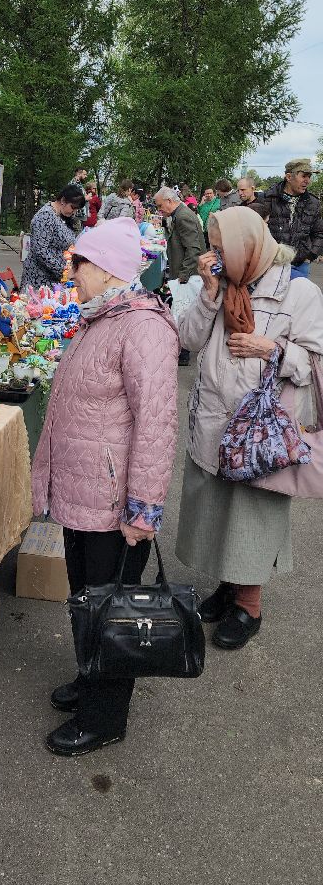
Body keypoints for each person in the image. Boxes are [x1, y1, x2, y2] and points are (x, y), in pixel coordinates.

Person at [32, 217, 179, 756]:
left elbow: (157, 423)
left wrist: (143, 510)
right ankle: (89, 679)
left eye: (78, 264)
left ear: (106, 269)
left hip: (114, 504)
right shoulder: (103, 317)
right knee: (85, 599)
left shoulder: (143, 328)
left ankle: (104, 715)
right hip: (81, 493)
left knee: (114, 609)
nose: (70, 272)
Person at [175, 208, 323, 649]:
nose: (214, 255)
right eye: (213, 246)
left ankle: (250, 605)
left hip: (260, 433)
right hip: (214, 422)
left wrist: (272, 348)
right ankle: (228, 585)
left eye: (221, 248)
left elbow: (316, 360)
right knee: (218, 508)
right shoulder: (223, 285)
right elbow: (188, 339)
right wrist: (207, 293)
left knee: (251, 517)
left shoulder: (299, 292)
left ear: (249, 247)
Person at [154, 186, 206, 365]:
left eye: (160, 206)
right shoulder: (179, 214)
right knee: (182, 312)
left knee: (183, 313)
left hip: (188, 275)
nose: (159, 210)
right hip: (186, 273)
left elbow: (194, 249)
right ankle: (182, 351)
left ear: (170, 201)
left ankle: (182, 353)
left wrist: (183, 275)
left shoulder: (183, 216)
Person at [260, 159, 323, 279]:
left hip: (301, 265)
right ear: (289, 177)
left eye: (309, 177)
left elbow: (319, 232)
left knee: (299, 297)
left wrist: (310, 255)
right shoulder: (268, 198)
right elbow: (256, 229)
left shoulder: (313, 203)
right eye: (303, 176)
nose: (307, 181)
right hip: (271, 264)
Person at [20, 185, 85, 289]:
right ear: (63, 200)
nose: (74, 212)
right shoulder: (45, 216)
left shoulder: (60, 216)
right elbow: (40, 251)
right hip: (39, 279)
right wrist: (63, 271)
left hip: (52, 278)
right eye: (73, 207)